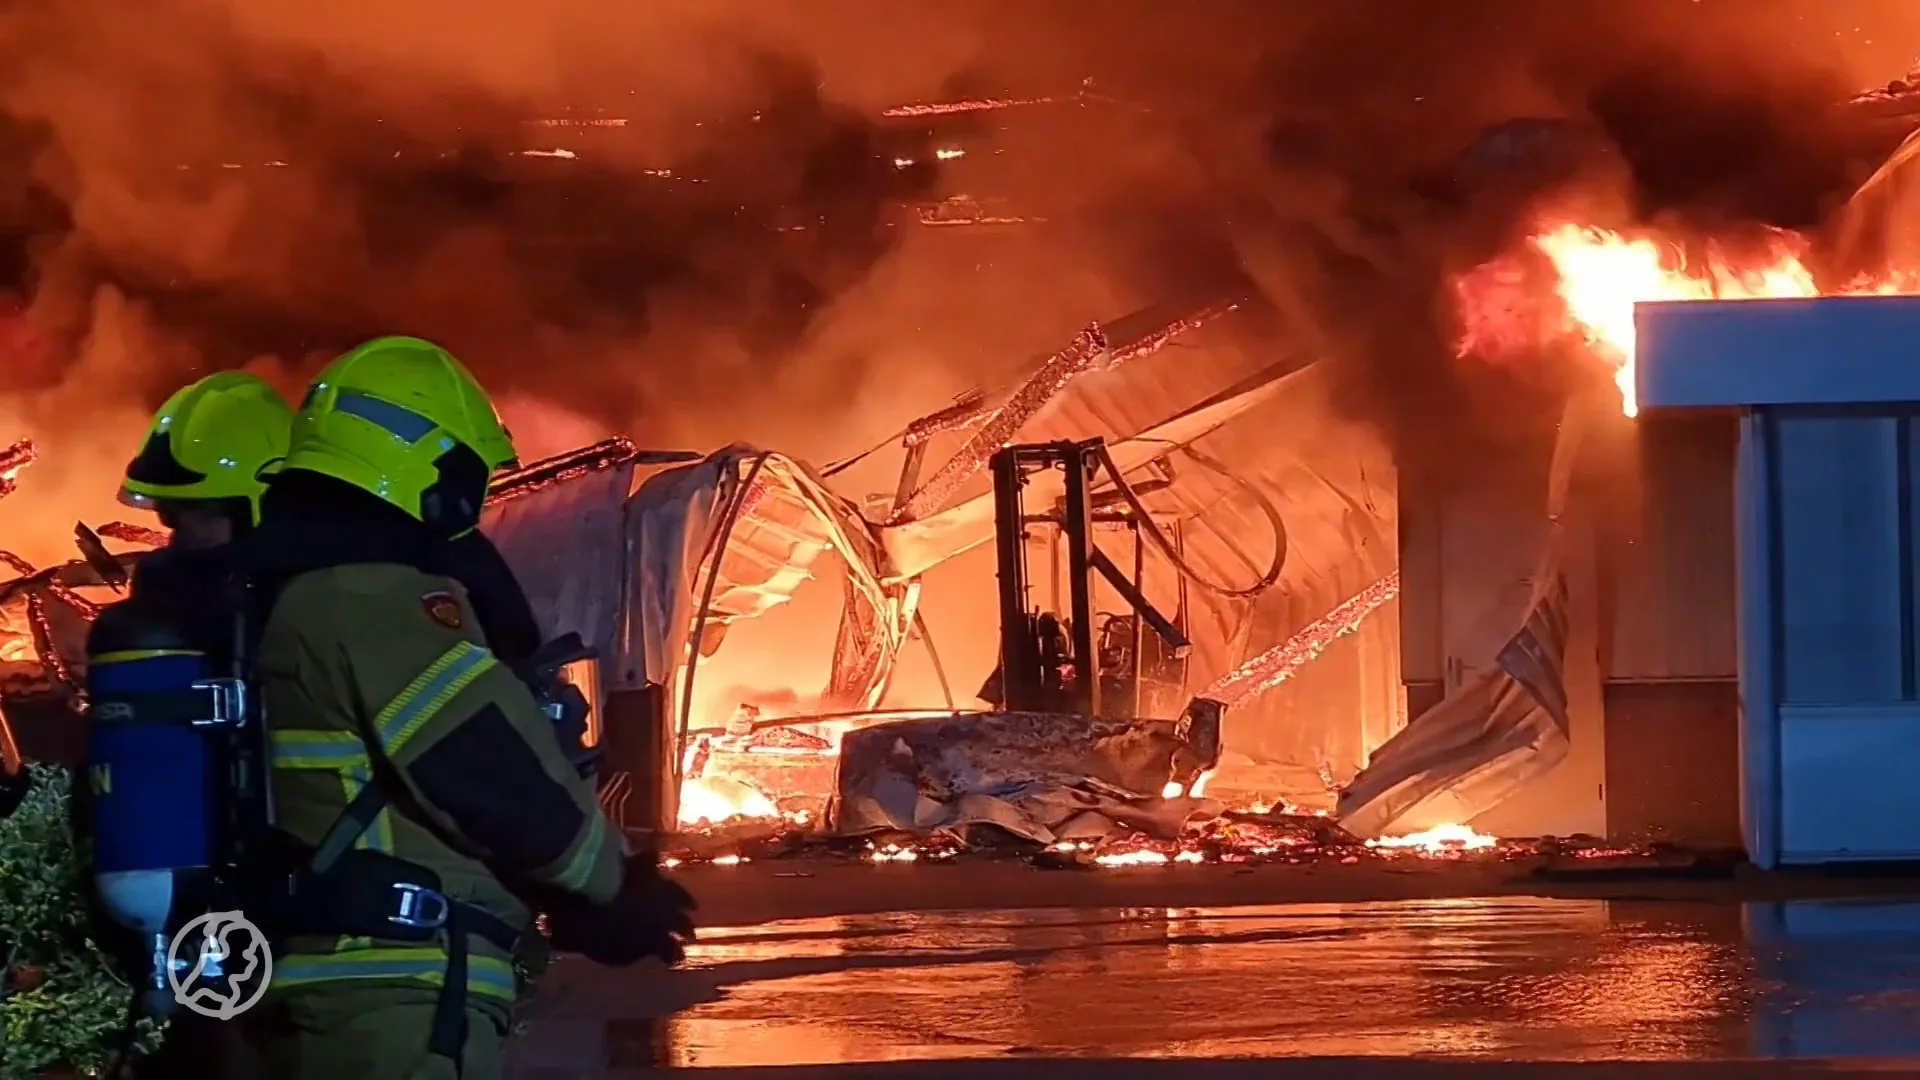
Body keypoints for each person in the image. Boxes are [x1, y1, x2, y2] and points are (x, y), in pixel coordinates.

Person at [233, 336, 693, 1080]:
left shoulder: (285, 593)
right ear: (423, 464)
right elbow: (484, 769)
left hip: (331, 979)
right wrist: (613, 887)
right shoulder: (372, 599)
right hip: (395, 996)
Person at [82, 370, 294, 1080]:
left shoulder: (168, 607)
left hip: (203, 904)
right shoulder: (280, 601)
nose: (178, 533)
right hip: (247, 896)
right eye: (174, 515)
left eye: (195, 512)